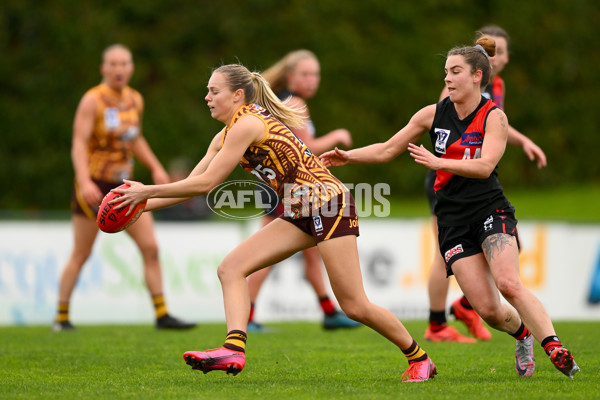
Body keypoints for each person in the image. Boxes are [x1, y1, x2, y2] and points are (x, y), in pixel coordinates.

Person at [111, 63, 437, 382]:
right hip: (300, 207)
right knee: (231, 268)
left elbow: (206, 184)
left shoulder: (247, 124)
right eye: (207, 92)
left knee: (354, 305)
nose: (207, 97)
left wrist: (146, 191)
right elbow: (189, 189)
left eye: (214, 91)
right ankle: (233, 349)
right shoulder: (224, 135)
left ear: (238, 95)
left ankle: (420, 359)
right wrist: (139, 207)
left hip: (328, 203)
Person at [320, 37, 579, 379]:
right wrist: (348, 156)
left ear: (477, 76)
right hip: (452, 222)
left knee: (508, 283)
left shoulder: (494, 118)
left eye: (455, 71)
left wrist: (438, 160)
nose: (447, 78)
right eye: (446, 72)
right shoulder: (432, 114)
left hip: (491, 210)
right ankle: (523, 334)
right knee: (488, 311)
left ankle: (554, 346)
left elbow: (486, 166)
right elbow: (387, 149)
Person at [53, 44, 196, 332]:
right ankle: (61, 317)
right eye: (113, 64)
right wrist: (84, 181)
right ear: (103, 69)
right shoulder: (92, 100)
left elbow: (135, 138)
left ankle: (162, 315)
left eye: (124, 64)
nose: (119, 69)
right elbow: (78, 144)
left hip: (124, 186)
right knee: (81, 253)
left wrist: (155, 166)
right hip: (94, 184)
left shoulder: (135, 100)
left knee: (151, 247)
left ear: (131, 68)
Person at [424, 25, 548, 343]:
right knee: (446, 253)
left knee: (508, 247)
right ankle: (439, 322)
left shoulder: (495, 90)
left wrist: (523, 142)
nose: (502, 57)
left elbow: (496, 125)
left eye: (503, 51)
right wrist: (445, 162)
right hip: (448, 179)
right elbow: (446, 121)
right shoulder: (457, 90)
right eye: (499, 50)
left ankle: (467, 307)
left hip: (476, 178)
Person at [247, 49, 359, 332]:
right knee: (264, 254)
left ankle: (329, 312)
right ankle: (246, 315)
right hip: (290, 188)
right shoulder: (294, 102)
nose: (311, 80)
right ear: (289, 76)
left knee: (312, 251)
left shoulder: (279, 100)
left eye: (315, 74)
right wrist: (336, 136)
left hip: (279, 184)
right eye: (304, 74)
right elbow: (308, 148)